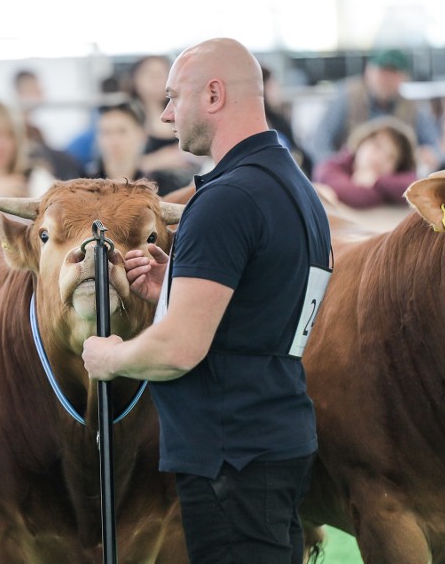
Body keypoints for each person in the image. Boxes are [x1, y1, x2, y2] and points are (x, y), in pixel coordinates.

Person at [82, 38, 332, 564]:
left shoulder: (226, 199)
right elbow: (266, 296)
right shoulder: (293, 185)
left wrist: (108, 358)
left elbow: (178, 350)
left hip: (231, 458)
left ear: (214, 94)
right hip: (273, 438)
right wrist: (180, 283)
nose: (167, 114)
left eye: (174, 97)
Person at [310, 49, 441, 171]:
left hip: (395, 181)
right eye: (383, 72)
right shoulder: (347, 98)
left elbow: (436, 146)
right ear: (369, 72)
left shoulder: (412, 108)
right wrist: (335, 170)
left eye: (394, 73)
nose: (387, 80)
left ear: (404, 77)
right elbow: (319, 142)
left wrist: (429, 155)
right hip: (350, 174)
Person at [128, 54, 203, 194]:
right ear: (135, 79)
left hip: (186, 191)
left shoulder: (187, 113)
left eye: (161, 74)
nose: (156, 80)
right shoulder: (126, 118)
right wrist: (157, 160)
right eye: (149, 74)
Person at [311, 116, 418, 209]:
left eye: (391, 157)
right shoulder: (330, 166)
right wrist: (386, 193)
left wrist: (376, 180)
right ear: (362, 141)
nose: (380, 158)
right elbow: (350, 194)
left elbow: (414, 187)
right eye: (377, 146)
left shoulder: (383, 180)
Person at [13, 69, 82, 180]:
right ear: (19, 92)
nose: (41, 92)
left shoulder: (35, 130)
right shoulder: (15, 128)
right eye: (34, 88)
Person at [261, 65, 313, 176]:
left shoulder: (279, 120)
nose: (277, 89)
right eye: (272, 85)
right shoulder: (259, 124)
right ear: (262, 88)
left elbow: (300, 155)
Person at [82, 101, 149, 183]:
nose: (114, 141)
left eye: (122, 131)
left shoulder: (157, 183)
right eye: (106, 132)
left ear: (141, 134)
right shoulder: (84, 181)